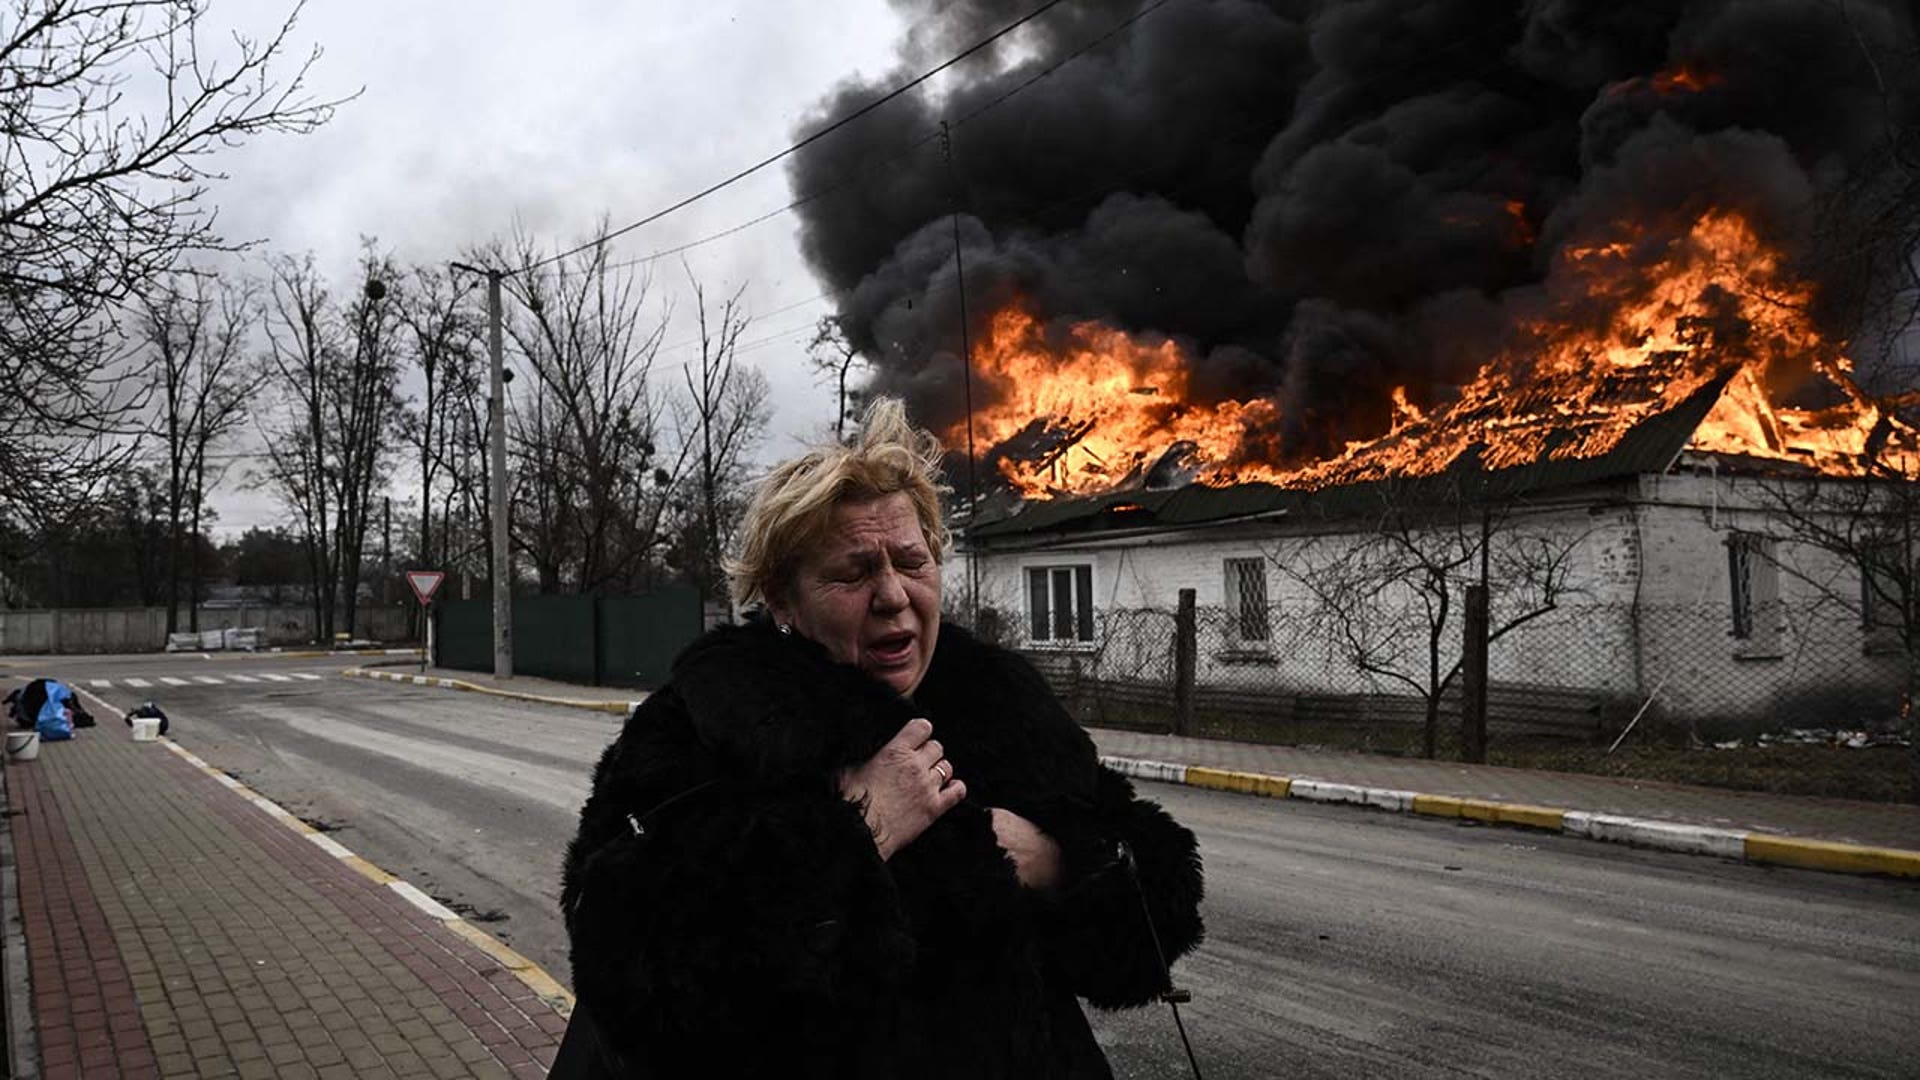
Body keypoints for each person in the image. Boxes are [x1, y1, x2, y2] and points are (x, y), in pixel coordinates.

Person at [551, 398, 1204, 1079]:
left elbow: (1154, 914)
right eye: (854, 572)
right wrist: (860, 831)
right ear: (782, 598)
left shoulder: (1000, 705)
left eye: (911, 563)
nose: (893, 595)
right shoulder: (710, 721)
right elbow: (628, 970)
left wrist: (1057, 858)